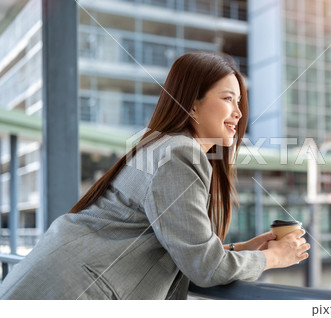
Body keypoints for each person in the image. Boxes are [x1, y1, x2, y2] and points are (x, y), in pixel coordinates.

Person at [0, 51, 310, 300]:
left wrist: (241, 250)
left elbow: (176, 244)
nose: (239, 113)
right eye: (228, 98)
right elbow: (205, 267)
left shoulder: (162, 147)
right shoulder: (180, 153)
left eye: (239, 102)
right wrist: (276, 258)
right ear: (191, 105)